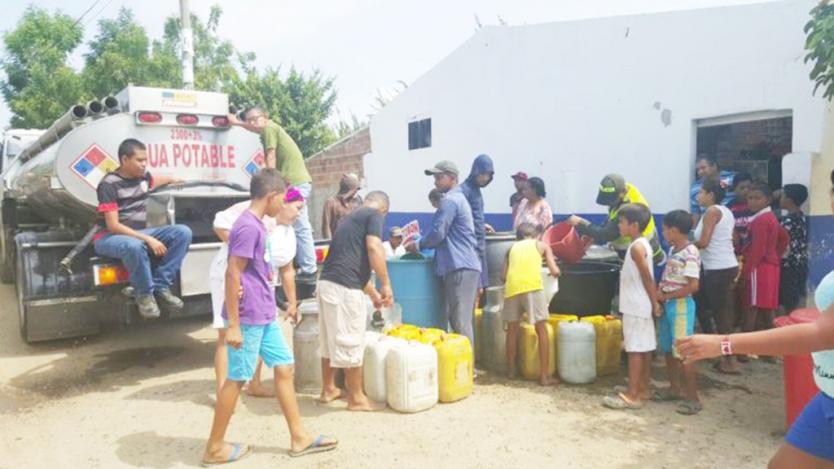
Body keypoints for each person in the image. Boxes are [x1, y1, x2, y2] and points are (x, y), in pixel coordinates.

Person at [677, 169, 834, 468]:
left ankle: (739, 357)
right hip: (828, 394)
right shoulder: (760, 217)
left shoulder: (754, 218)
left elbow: (822, 333)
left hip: (751, 269)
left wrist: (724, 343)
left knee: (750, 309)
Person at [202, 169, 337, 465]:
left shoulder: (260, 224)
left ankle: (299, 437)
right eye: (282, 199)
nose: (284, 205)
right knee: (237, 378)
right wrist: (233, 325)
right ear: (272, 196)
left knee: (284, 367)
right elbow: (232, 272)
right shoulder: (248, 227)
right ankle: (214, 447)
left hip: (264, 312)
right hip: (248, 315)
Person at [209, 188, 305, 400]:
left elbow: (287, 269)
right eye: (297, 207)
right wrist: (243, 251)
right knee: (226, 336)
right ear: (281, 201)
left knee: (262, 330)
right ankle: (223, 392)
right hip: (232, 278)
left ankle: (254, 383)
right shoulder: (254, 217)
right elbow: (219, 224)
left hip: (261, 285)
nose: (299, 214)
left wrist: (292, 302)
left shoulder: (288, 232)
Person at [94, 138, 191, 319]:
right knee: (134, 245)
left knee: (183, 232)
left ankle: (161, 286)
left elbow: (157, 180)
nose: (144, 164)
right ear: (124, 159)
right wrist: (148, 239)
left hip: (138, 233)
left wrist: (174, 179)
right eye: (139, 160)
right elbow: (113, 226)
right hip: (109, 236)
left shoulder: (143, 177)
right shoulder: (109, 184)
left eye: (146, 160)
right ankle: (144, 295)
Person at [317, 191, 393, 411]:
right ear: (384, 210)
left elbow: (351, 263)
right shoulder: (373, 215)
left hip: (327, 284)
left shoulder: (350, 218)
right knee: (351, 341)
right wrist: (385, 283)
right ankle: (357, 398)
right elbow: (373, 247)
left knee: (329, 342)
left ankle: (329, 389)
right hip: (343, 290)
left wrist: (373, 294)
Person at [230, 107, 317, 280]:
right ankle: (297, 267)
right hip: (294, 183)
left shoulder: (269, 128)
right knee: (287, 224)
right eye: (250, 120)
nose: (253, 123)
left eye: (256, 118)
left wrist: (269, 182)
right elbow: (253, 127)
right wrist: (239, 123)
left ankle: (309, 269)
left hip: (295, 184)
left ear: (265, 117)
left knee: (299, 225)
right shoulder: (268, 129)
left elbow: (271, 156)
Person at [405, 161, 481, 346]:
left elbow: (438, 233)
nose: (435, 181)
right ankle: (464, 361)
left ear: (453, 178)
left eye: (439, 177)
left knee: (460, 323)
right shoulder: (458, 199)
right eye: (435, 177)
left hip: (460, 266)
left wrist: (417, 245)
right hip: (463, 266)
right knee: (459, 321)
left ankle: (466, 363)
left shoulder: (450, 201)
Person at [602, 203, 660, 410]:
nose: (619, 225)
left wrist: (655, 302)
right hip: (640, 305)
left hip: (636, 305)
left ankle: (632, 395)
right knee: (644, 347)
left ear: (634, 225)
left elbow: (647, 278)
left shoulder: (636, 248)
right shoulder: (642, 244)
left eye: (622, 222)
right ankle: (642, 387)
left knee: (634, 349)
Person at [502, 223, 561, 386]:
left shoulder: (510, 249)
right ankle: (544, 376)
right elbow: (554, 270)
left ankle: (511, 371)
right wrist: (557, 272)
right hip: (533, 288)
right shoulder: (541, 245)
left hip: (512, 289)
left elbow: (503, 276)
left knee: (512, 330)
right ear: (536, 235)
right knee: (542, 330)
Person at [655, 210, 702, 415]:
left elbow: (693, 286)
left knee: (683, 351)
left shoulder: (690, 252)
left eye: (664, 229)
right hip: (669, 303)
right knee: (668, 347)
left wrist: (667, 296)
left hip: (681, 305)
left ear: (674, 230)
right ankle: (675, 388)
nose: (663, 233)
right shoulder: (674, 250)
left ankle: (693, 398)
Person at [692, 178, 741, 374]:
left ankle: (729, 360)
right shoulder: (727, 212)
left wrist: (684, 245)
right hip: (722, 265)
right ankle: (713, 348)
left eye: (701, 192)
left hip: (717, 268)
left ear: (710, 195)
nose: (698, 196)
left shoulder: (711, 212)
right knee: (702, 305)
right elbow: (734, 239)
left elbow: (704, 242)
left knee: (721, 315)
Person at [568, 174, 663, 264]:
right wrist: (593, 237)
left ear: (623, 192)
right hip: (630, 253)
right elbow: (611, 219)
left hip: (643, 254)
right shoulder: (622, 192)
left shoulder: (628, 208)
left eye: (611, 200)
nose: (609, 203)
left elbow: (606, 234)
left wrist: (581, 223)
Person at [741, 182, 789, 335]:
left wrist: (746, 272)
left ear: (768, 200)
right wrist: (774, 255)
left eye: (757, 198)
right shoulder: (770, 216)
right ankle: (772, 343)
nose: (753, 201)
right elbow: (784, 237)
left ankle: (746, 343)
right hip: (770, 266)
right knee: (767, 307)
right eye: (750, 198)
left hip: (759, 267)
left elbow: (758, 250)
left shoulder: (760, 220)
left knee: (752, 306)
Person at [457, 154, 495, 289]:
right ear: (475, 171)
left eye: (489, 175)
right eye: (483, 174)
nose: (485, 178)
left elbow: (473, 216)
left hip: (479, 245)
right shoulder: (465, 191)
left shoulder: (475, 190)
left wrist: (482, 225)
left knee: (480, 288)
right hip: (471, 247)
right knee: (474, 288)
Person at [779, 184, 809, 313]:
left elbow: (781, 243)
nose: (780, 198)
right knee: (795, 297)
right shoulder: (802, 218)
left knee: (787, 300)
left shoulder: (786, 221)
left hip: (788, 265)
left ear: (789, 199)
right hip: (801, 263)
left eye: (782, 195)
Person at [690, 154, 735, 223]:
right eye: (698, 169)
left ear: (714, 166)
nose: (700, 172)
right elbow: (696, 213)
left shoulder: (732, 178)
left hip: (732, 220)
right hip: (708, 223)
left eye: (703, 168)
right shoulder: (695, 188)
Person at [321, 173, 363, 239]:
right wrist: (329, 242)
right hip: (338, 241)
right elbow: (326, 226)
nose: (356, 193)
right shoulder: (331, 202)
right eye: (355, 190)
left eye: (357, 190)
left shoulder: (359, 201)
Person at [728, 170, 754, 254]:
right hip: (735, 253)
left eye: (749, 187)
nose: (746, 190)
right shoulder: (729, 208)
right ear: (734, 189)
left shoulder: (757, 207)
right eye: (742, 188)